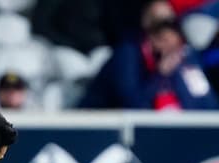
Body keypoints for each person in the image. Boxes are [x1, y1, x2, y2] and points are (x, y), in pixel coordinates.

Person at [80, 0, 219, 109]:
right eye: (160, 27)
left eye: (174, 25)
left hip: (177, 136)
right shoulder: (127, 56)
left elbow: (206, 104)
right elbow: (133, 106)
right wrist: (160, 76)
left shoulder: (186, 58)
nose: (168, 35)